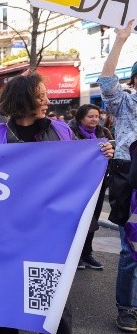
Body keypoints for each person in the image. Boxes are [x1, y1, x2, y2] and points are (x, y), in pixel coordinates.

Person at [0, 73, 114, 334]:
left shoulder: (62, 131)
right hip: (3, 232)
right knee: (4, 292)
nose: (47, 99)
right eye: (41, 95)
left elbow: (76, 172)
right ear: (23, 99)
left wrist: (100, 156)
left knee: (54, 307)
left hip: (48, 235)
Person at [96, 21, 137, 334]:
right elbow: (107, 81)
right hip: (131, 180)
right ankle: (127, 307)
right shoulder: (126, 103)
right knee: (132, 250)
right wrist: (120, 40)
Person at [69, 104, 113, 270]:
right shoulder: (69, 132)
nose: (95, 119)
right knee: (77, 220)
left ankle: (87, 254)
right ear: (81, 118)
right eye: (90, 116)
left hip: (99, 183)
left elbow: (110, 155)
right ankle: (75, 256)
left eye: (97, 116)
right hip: (76, 184)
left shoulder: (104, 133)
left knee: (93, 220)